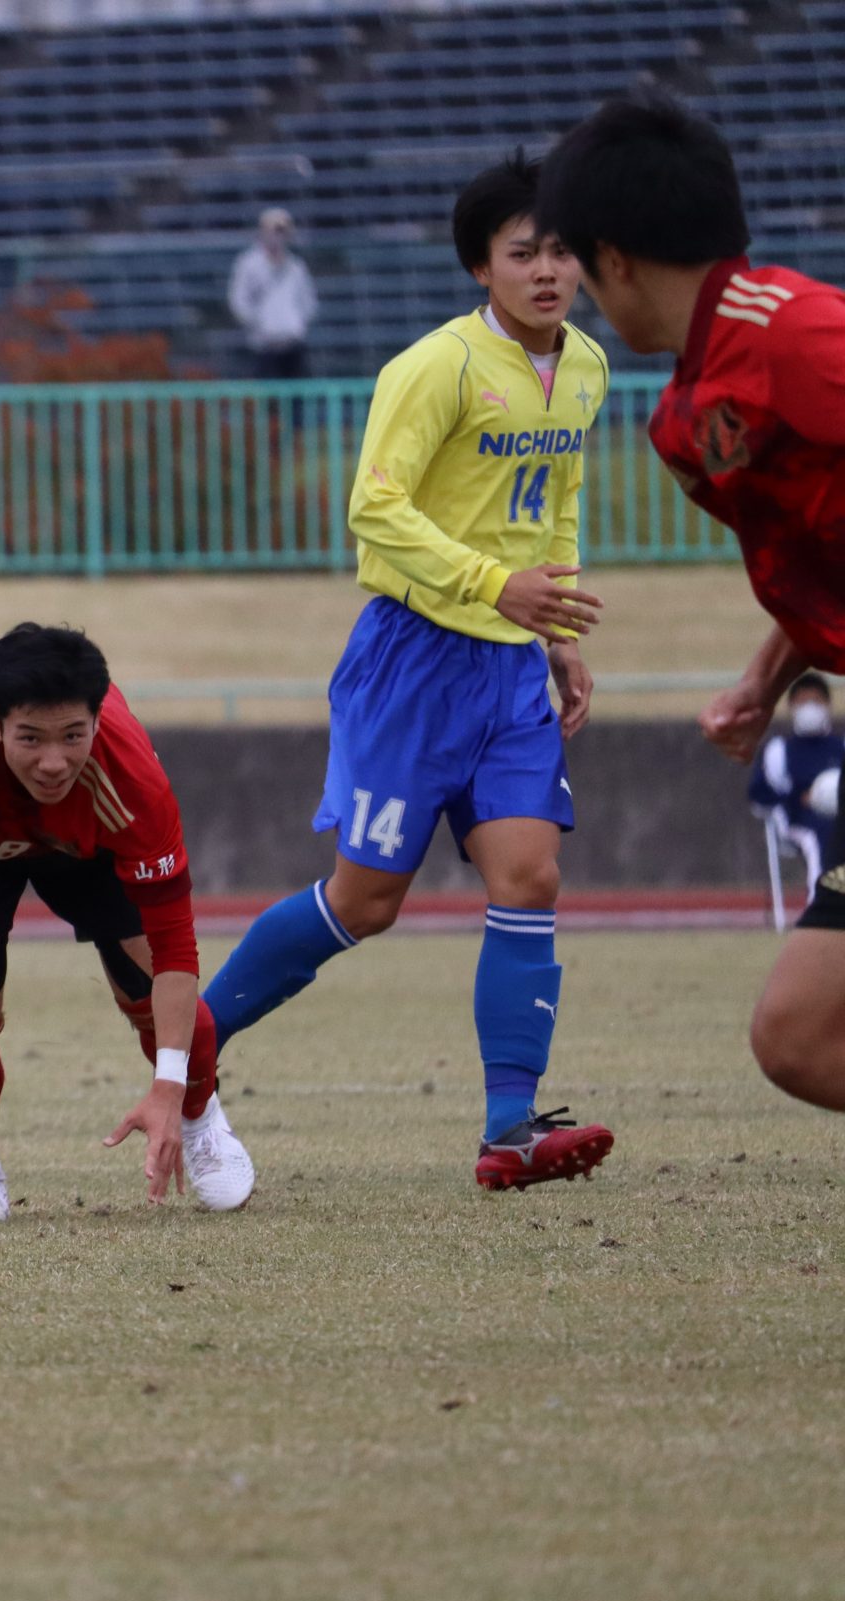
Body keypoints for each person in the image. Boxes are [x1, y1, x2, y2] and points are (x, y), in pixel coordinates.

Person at [201, 150, 616, 1191]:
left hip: (511, 669)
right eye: (523, 253)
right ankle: (186, 1047)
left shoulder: (587, 368)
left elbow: (555, 499)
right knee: (367, 900)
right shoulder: (433, 367)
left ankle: (509, 1128)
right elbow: (374, 511)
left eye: (561, 250)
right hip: (412, 666)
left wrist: (556, 623)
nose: (546, 271)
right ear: (481, 266)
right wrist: (491, 585)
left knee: (529, 875)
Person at [538, 92, 845, 1110]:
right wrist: (766, 677)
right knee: (798, 1038)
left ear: (612, 258)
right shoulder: (684, 416)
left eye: (577, 265)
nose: (576, 292)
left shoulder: (797, 338)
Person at [0, 624, 255, 1220]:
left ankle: (200, 1120)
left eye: (73, 736)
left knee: (144, 981)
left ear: (98, 720)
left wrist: (171, 1086)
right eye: (30, 738)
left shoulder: (133, 781)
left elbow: (176, 946)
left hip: (89, 849)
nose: (52, 761)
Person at [751, 674, 841, 886]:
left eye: (816, 701)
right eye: (803, 702)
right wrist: (799, 798)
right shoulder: (779, 750)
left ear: (827, 705)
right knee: (819, 836)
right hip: (797, 821)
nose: (810, 707)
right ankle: (820, 905)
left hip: (838, 818)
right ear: (792, 706)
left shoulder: (840, 747)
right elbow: (759, 795)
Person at [228, 207, 318, 379]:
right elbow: (239, 301)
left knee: (295, 397)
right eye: (274, 230)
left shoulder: (296, 267)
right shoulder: (249, 265)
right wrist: (259, 324)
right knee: (266, 399)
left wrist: (296, 325)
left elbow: (308, 301)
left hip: (293, 345)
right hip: (263, 345)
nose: (277, 236)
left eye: (282, 231)